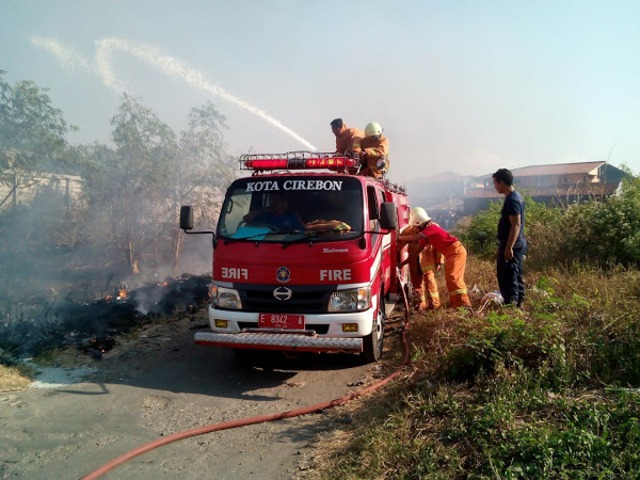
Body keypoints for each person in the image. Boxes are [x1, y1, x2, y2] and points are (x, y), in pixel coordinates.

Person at [398, 207, 471, 308]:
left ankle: (464, 305)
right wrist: (402, 263)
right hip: (452, 253)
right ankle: (457, 305)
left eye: (416, 226)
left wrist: (398, 237)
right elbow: (415, 253)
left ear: (421, 224)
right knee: (451, 277)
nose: (414, 228)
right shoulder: (426, 236)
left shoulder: (431, 228)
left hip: (456, 252)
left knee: (453, 277)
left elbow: (416, 237)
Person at [493, 168, 527, 307]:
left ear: (501, 182)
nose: (495, 186)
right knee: (515, 274)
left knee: (508, 276)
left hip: (512, 244)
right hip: (516, 243)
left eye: (495, 183)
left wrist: (509, 247)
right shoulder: (516, 197)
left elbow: (516, 225)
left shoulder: (512, 200)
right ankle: (519, 304)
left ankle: (511, 306)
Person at [400, 224, 443, 311]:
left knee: (430, 283)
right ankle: (419, 306)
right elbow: (400, 244)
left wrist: (439, 261)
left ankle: (434, 305)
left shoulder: (433, 227)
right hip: (414, 262)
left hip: (427, 262)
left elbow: (439, 247)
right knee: (417, 285)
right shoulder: (408, 230)